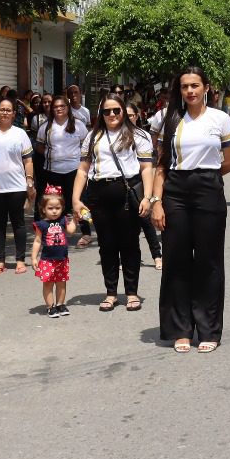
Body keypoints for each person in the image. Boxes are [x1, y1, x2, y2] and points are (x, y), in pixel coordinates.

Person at [151, 67, 230, 353]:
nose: (190, 91)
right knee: (176, 261)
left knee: (208, 262)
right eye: (185, 86)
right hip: (175, 191)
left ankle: (209, 329)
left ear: (206, 88)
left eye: (195, 85)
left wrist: (206, 177)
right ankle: (181, 329)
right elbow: (161, 165)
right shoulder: (170, 119)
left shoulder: (220, 119)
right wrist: (156, 201)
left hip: (208, 190)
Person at [73, 94, 153, 313]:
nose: (111, 115)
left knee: (129, 244)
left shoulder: (138, 135)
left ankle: (132, 293)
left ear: (123, 111)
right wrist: (76, 199)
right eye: (106, 111)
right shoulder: (93, 136)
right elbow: (83, 169)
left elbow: (147, 168)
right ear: (101, 113)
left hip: (127, 195)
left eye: (116, 110)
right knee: (107, 245)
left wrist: (148, 197)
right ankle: (111, 293)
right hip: (98, 194)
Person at [0, 98, 36, 276]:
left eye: (8, 110)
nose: (5, 112)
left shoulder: (20, 134)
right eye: (2, 109)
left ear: (13, 114)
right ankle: (0, 261)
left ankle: (20, 260)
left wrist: (29, 181)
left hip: (17, 186)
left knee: (18, 223)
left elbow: (28, 160)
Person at [35, 95, 89, 246]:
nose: (59, 109)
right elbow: (39, 146)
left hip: (74, 171)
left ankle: (86, 232)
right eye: (56, 107)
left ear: (68, 108)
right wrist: (52, 155)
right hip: (52, 171)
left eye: (62, 106)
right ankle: (56, 233)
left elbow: (86, 145)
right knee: (56, 203)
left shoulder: (78, 125)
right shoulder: (45, 127)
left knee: (79, 201)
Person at [126, 101, 164, 270]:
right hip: (121, 183)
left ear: (137, 116)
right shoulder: (113, 134)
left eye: (131, 115)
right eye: (125, 115)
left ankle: (157, 255)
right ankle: (127, 257)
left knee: (145, 220)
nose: (128, 118)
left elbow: (149, 164)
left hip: (139, 182)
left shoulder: (143, 135)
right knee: (126, 224)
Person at [30, 187, 77, 318]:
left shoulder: (63, 220)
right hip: (47, 260)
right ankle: (50, 307)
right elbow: (37, 241)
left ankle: (60, 304)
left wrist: (75, 220)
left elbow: (71, 231)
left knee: (62, 283)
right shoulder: (41, 224)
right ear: (43, 209)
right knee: (48, 283)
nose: (55, 211)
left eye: (58, 208)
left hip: (62, 259)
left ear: (62, 208)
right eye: (50, 208)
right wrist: (33, 258)